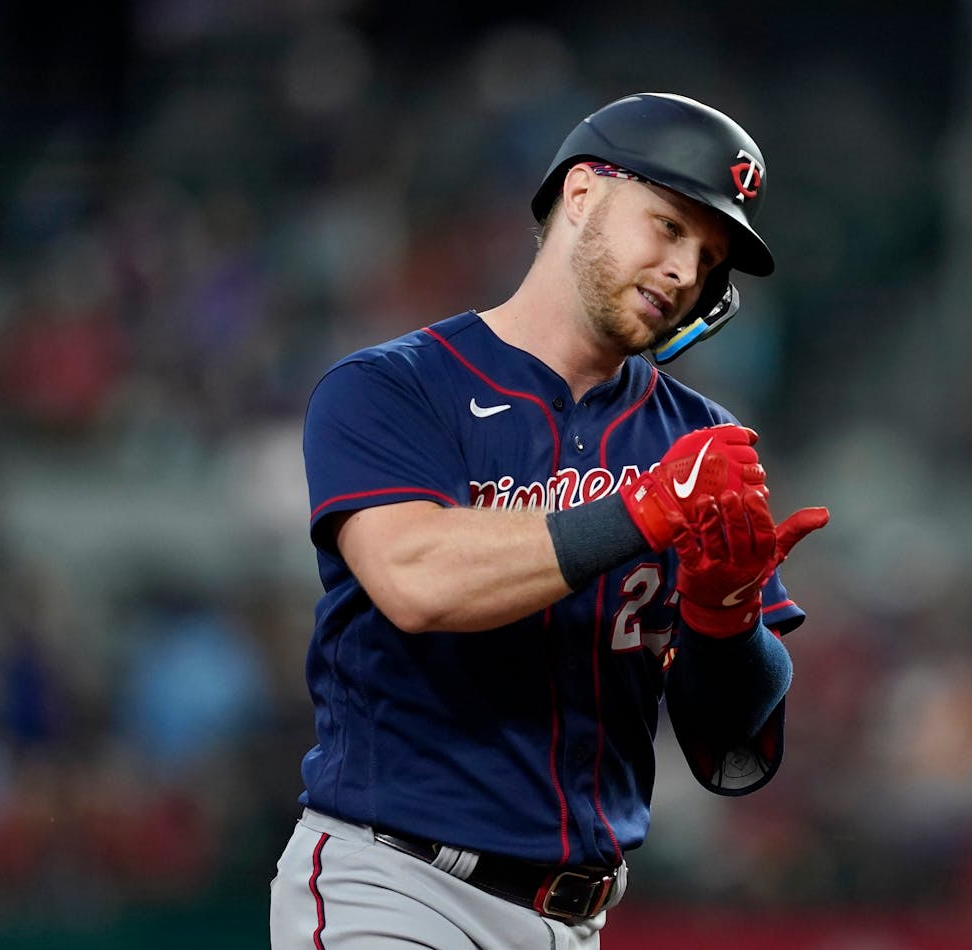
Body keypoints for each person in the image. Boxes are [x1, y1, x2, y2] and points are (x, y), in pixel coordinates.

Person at [269, 92, 829, 949]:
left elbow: (732, 757)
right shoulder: (394, 387)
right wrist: (643, 510)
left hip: (576, 920)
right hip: (396, 886)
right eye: (671, 227)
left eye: (711, 258)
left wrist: (728, 619)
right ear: (582, 194)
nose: (688, 272)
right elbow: (415, 580)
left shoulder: (697, 439)